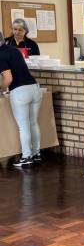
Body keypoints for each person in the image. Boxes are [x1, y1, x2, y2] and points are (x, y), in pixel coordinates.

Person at [0, 32, 43, 167]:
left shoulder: (0, 55)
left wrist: (1, 89)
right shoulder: (14, 50)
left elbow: (8, 79)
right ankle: (36, 154)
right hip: (34, 88)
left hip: (20, 92)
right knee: (33, 123)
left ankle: (26, 157)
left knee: (23, 126)